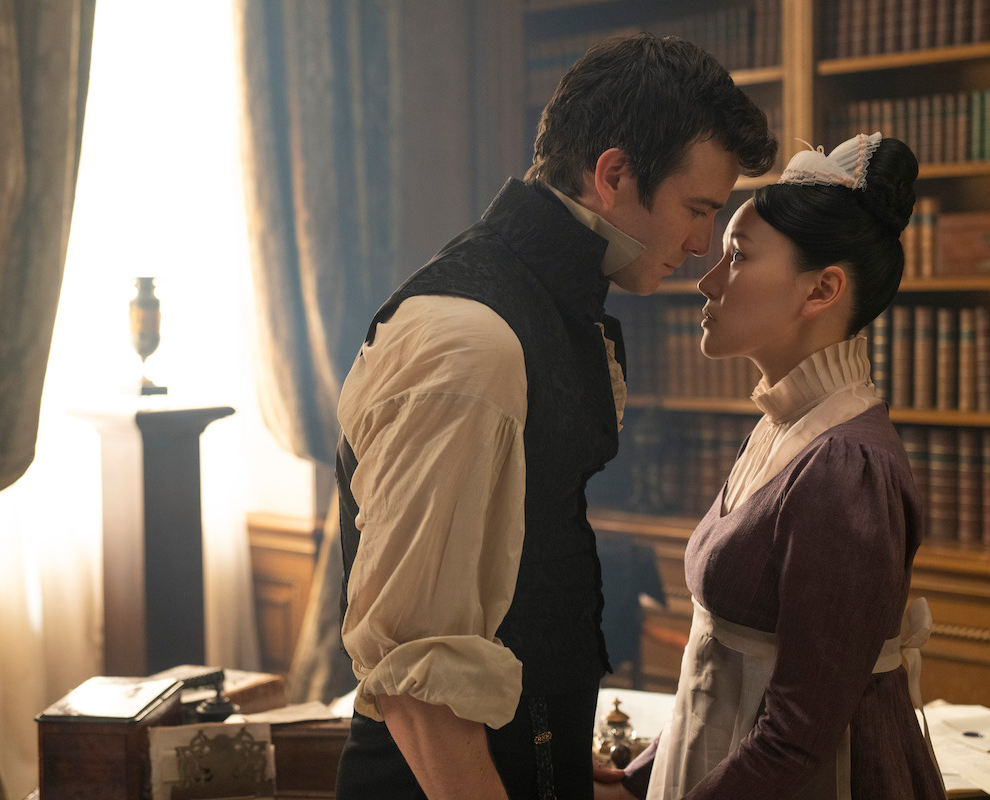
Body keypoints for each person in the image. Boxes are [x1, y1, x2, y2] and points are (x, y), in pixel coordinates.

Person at [333, 33, 777, 800]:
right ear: (612, 175)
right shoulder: (470, 340)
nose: (704, 244)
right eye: (697, 209)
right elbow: (413, 670)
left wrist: (561, 764)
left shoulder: (549, 307)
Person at [602, 133, 947, 800]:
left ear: (821, 290)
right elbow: (719, 678)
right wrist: (636, 781)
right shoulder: (783, 428)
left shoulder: (846, 468)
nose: (707, 279)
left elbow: (797, 737)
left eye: (737, 257)